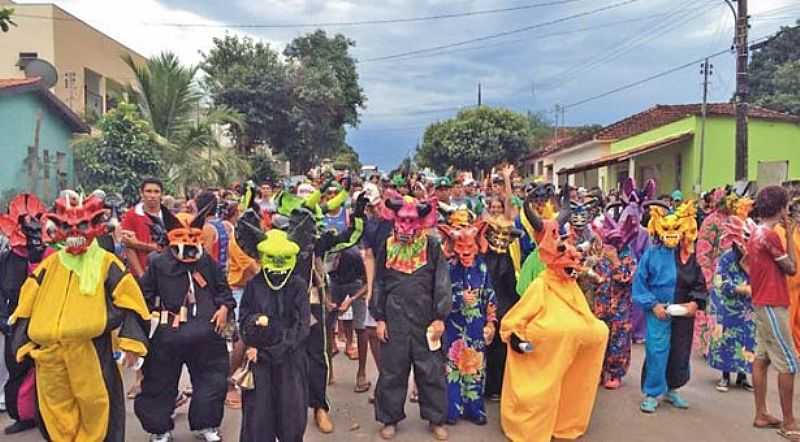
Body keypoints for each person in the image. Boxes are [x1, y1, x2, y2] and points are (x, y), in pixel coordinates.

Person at [9, 195, 150, 441]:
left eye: (82, 226)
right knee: (55, 413)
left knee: (97, 408)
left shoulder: (107, 263)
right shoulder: (50, 264)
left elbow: (131, 301)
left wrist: (132, 343)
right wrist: (23, 341)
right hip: (49, 354)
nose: (75, 232)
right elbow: (26, 304)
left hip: (91, 350)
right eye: (67, 226)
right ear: (58, 229)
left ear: (95, 227)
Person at [499, 209, 608, 442]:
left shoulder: (570, 285)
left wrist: (596, 331)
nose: (574, 269)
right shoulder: (541, 284)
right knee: (541, 393)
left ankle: (564, 422)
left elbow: (583, 313)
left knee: (598, 332)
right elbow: (514, 319)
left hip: (566, 349)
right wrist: (517, 339)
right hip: (543, 352)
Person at [134, 204, 235, 442]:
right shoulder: (158, 263)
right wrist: (143, 330)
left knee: (212, 380)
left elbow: (224, 291)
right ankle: (159, 429)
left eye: (193, 236)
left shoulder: (207, 262)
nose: (188, 242)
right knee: (159, 381)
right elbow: (142, 298)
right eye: (181, 236)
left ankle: (206, 424)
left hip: (207, 335)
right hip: (167, 336)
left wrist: (223, 308)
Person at [370, 196, 452, 441]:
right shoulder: (387, 245)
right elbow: (380, 282)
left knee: (431, 370)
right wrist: (380, 318)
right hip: (395, 317)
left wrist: (440, 316)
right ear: (395, 219)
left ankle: (436, 418)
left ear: (420, 221)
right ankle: (389, 418)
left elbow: (442, 281)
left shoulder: (432, 245)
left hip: (425, 316)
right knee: (392, 370)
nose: (406, 225)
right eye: (402, 219)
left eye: (411, 220)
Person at [236, 228, 310, 442]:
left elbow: (301, 327)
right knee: (258, 421)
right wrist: (254, 326)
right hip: (258, 362)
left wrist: (272, 350)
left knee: (291, 418)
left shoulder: (297, 286)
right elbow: (244, 320)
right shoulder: (254, 284)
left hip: (290, 361)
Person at [634, 200, 707, 414]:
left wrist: (695, 303)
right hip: (658, 310)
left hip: (683, 312)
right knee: (657, 351)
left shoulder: (689, 255)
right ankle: (652, 392)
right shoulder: (652, 254)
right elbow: (639, 283)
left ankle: (672, 389)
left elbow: (699, 283)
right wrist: (653, 304)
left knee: (679, 351)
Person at [747, 186, 799, 438]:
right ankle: (789, 422)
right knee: (788, 363)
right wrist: (789, 234)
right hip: (772, 303)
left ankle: (761, 413)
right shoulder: (770, 235)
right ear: (780, 208)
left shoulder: (755, 231)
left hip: (761, 301)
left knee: (762, 356)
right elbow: (792, 268)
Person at [438, 214, 497, 425]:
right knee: (453, 368)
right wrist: (458, 298)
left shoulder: (481, 267)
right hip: (454, 325)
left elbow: (489, 293)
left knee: (475, 367)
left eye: (469, 245)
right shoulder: (448, 267)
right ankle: (452, 410)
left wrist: (491, 322)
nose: (465, 251)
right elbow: (440, 295)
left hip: (476, 325)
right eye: (460, 245)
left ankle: (474, 409)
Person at [0, 194, 47, 435]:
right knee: (18, 365)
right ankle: (24, 414)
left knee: (50, 367)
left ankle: (49, 413)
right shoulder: (7, 258)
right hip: (16, 321)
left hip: (47, 321)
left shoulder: (52, 257)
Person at [706, 216, 756, 392]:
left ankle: (743, 376)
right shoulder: (727, 258)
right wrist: (739, 289)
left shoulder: (755, 258)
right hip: (727, 305)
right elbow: (720, 281)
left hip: (748, 308)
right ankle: (725, 376)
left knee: (747, 340)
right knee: (727, 339)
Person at [121, 177, 164, 278]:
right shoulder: (131, 215)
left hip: (165, 274)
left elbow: (168, 248)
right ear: (141, 193)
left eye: (156, 192)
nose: (152, 195)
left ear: (162, 194)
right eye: (148, 191)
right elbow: (129, 246)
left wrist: (137, 244)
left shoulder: (168, 216)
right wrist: (141, 274)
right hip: (140, 274)